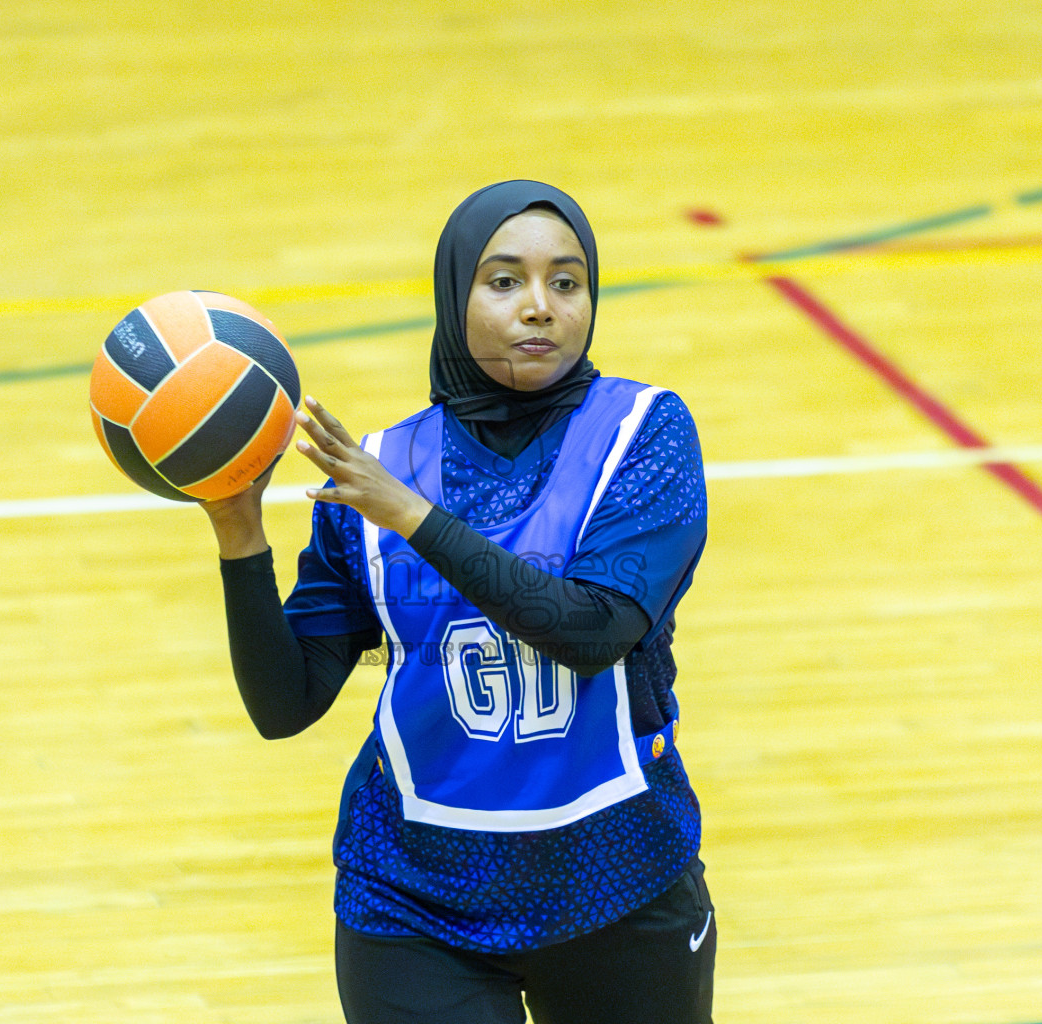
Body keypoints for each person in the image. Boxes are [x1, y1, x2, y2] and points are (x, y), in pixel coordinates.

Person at [202, 180, 713, 1023]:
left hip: (618, 878)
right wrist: (237, 532)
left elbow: (592, 631)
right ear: (454, 296)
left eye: (568, 281)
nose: (540, 307)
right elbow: (284, 703)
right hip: (414, 896)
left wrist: (410, 513)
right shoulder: (378, 466)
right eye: (505, 280)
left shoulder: (645, 434)